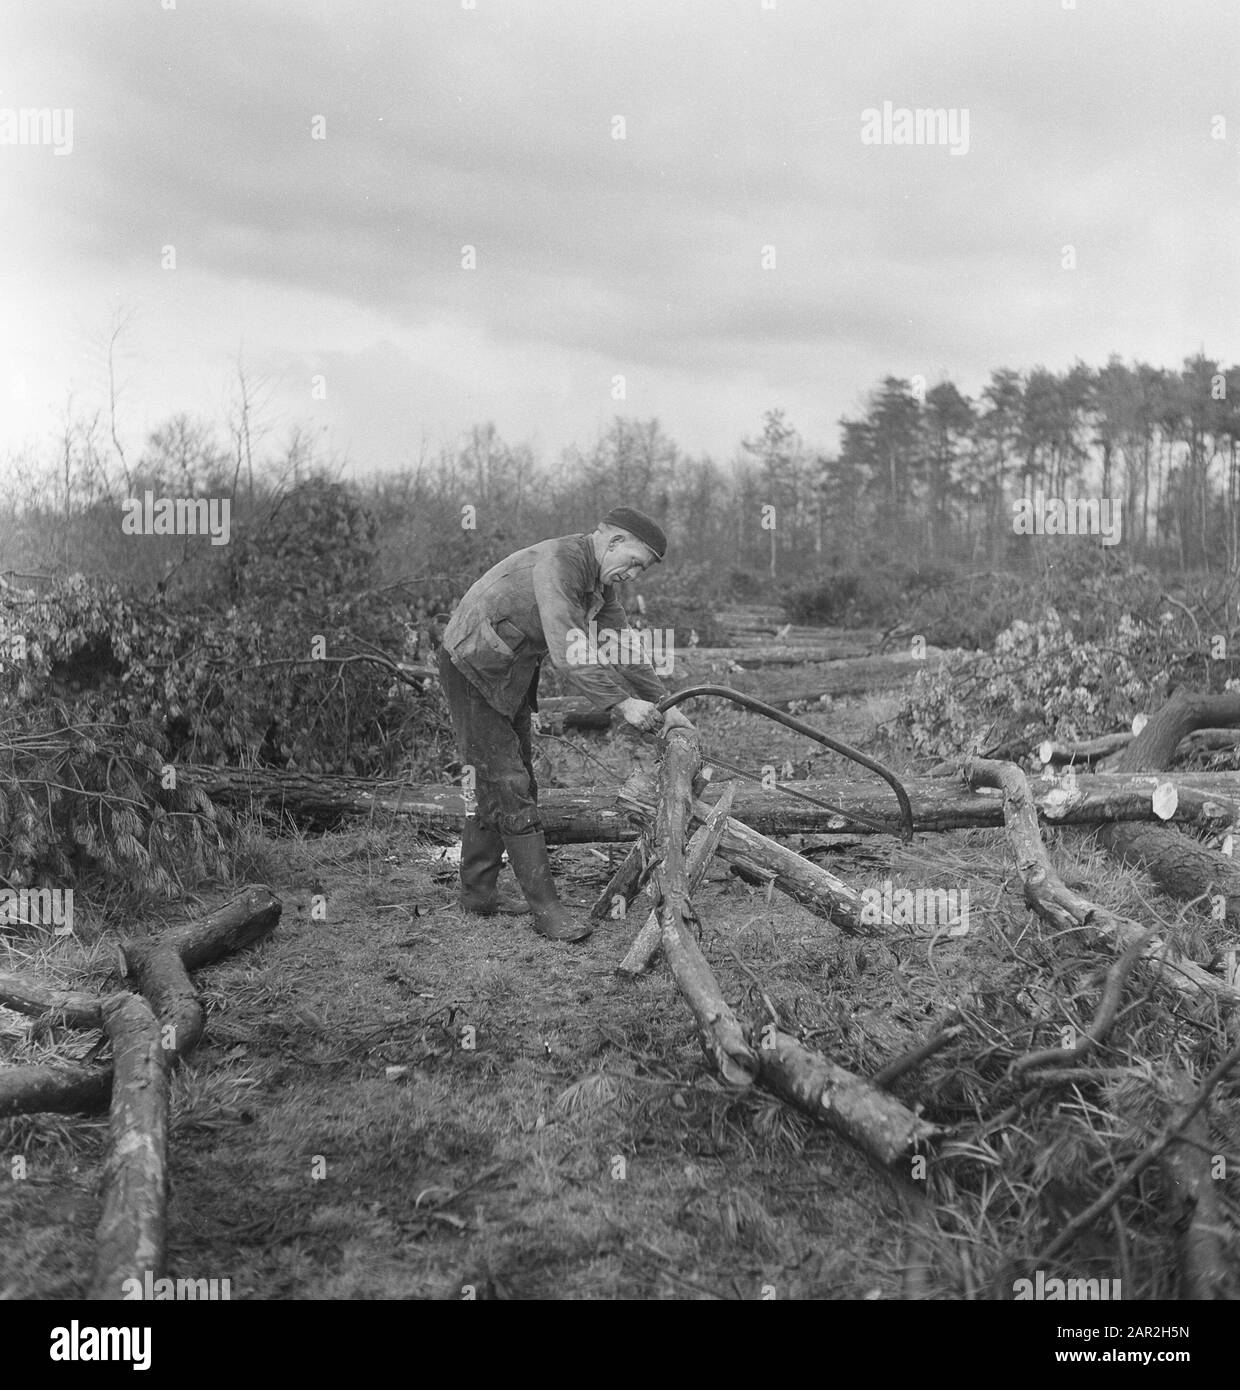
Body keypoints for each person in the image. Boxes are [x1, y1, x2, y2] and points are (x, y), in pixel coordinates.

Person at [437, 506, 694, 941]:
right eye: (633, 562)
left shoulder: (599, 584)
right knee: (509, 783)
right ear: (612, 542)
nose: (633, 574)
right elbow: (569, 647)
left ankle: (478, 894)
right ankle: (548, 912)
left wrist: (665, 705)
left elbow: (621, 645)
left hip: (508, 669)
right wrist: (620, 703)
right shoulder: (562, 563)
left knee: (505, 782)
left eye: (641, 570)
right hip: (471, 666)